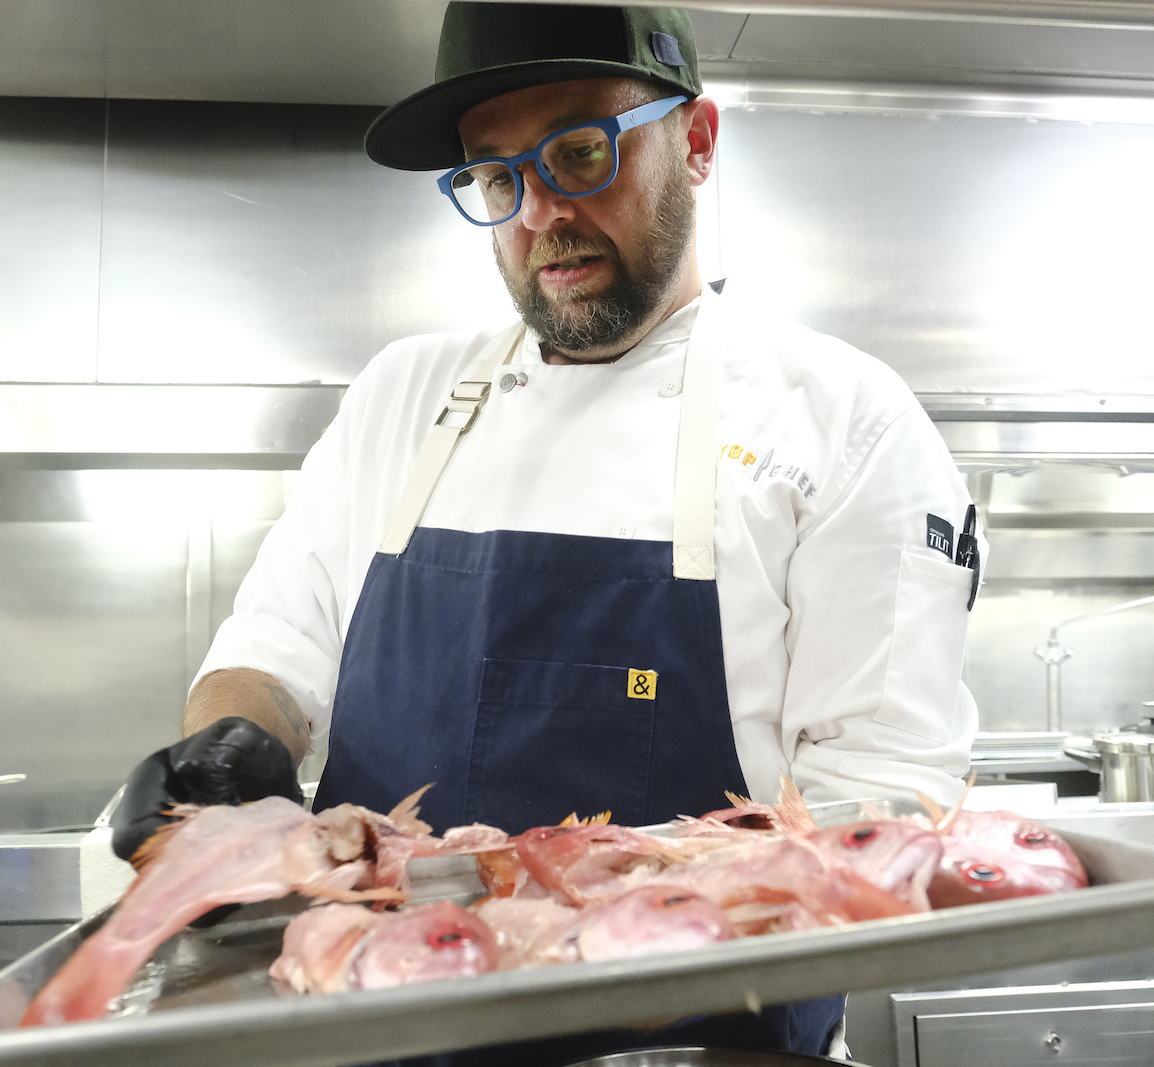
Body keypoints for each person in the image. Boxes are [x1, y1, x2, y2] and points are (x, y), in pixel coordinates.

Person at [111, 4, 981, 1063]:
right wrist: (225, 756)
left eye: (579, 152)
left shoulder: (842, 419)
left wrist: (594, 929)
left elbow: (878, 811)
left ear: (695, 141)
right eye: (496, 178)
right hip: (378, 1028)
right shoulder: (401, 395)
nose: (540, 217)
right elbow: (274, 655)